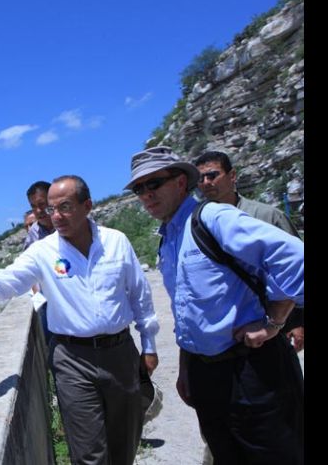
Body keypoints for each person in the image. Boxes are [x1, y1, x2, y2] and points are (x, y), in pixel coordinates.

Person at [0, 175, 159, 465]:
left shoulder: (116, 243)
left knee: (124, 444)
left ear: (87, 205)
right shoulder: (43, 251)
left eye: (65, 207)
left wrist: (149, 345)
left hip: (120, 354)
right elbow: (13, 277)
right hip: (73, 360)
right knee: (89, 454)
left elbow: (140, 295)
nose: (56, 216)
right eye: (51, 209)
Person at [126, 146, 304, 465]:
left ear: (181, 182)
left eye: (154, 184)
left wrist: (274, 322)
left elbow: (296, 260)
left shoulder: (214, 218)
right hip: (208, 376)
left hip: (252, 370)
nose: (146, 195)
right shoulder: (169, 238)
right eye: (139, 188)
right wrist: (186, 370)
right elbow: (187, 312)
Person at [193, 150, 304, 352]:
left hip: (271, 324)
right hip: (227, 335)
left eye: (213, 175)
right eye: (200, 178)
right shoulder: (196, 225)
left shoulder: (265, 216)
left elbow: (295, 268)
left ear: (232, 175)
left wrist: (296, 322)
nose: (206, 182)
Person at [23, 181, 57, 343]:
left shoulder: (69, 223)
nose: (38, 211)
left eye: (41, 204)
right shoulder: (34, 234)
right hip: (48, 300)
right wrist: (38, 296)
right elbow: (29, 269)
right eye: (33, 206)